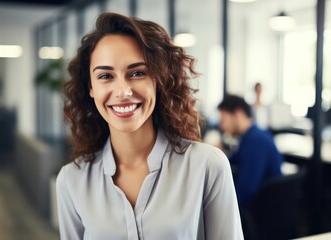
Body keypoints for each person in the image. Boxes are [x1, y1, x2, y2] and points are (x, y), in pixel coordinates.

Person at [56, 12, 243, 239]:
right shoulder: (72, 180)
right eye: (105, 76)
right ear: (91, 88)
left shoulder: (207, 166)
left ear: (158, 80)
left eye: (137, 73)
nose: (123, 92)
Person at [217, 95, 283, 209]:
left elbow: (244, 192)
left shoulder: (255, 142)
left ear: (238, 114)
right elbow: (235, 159)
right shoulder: (252, 136)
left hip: (262, 211)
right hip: (264, 205)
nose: (221, 126)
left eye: (223, 120)